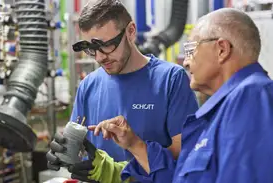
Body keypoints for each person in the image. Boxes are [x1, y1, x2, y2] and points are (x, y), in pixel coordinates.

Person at [91, 8, 273, 183]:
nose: (185, 62)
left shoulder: (252, 97)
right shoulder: (224, 112)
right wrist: (134, 144)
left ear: (222, 49)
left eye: (190, 50)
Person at [46, 0, 198, 182]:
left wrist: (132, 156)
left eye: (107, 45)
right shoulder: (89, 85)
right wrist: (64, 151)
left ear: (131, 31)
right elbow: (83, 148)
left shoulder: (171, 79)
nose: (100, 57)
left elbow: (184, 157)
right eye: (91, 49)